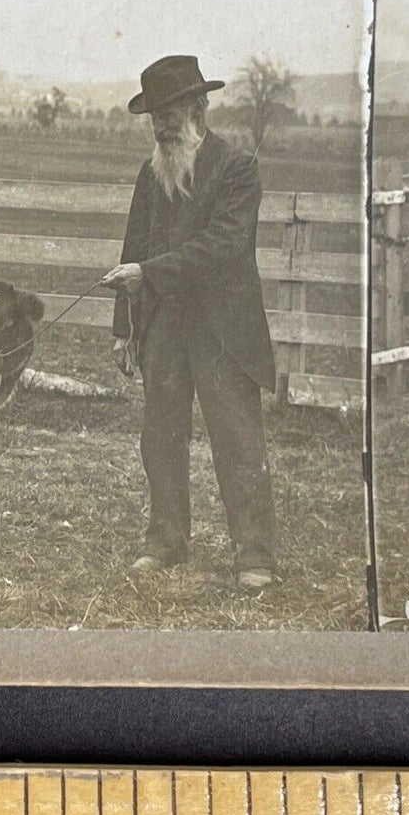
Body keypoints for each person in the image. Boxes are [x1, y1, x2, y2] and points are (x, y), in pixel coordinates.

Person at [102, 54, 279, 592]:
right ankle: (165, 541)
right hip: (162, 325)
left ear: (199, 107)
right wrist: (124, 330)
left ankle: (255, 555)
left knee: (238, 440)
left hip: (223, 328)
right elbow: (134, 245)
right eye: (155, 113)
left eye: (171, 110)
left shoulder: (237, 168)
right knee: (160, 436)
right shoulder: (151, 171)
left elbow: (223, 248)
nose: (161, 123)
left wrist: (148, 273)